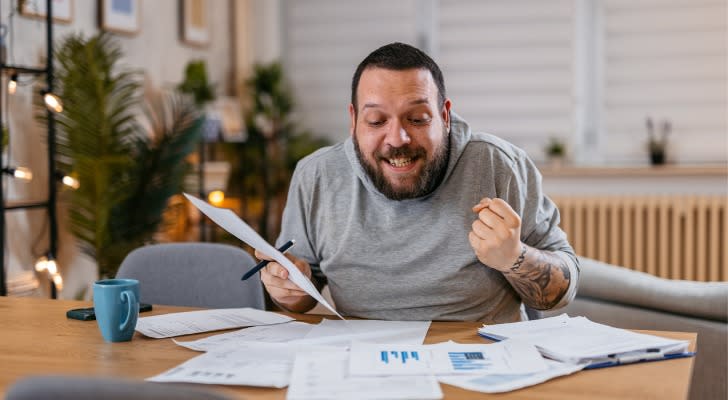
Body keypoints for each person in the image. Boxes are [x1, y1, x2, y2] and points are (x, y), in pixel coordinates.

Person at [255, 42, 579, 323]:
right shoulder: (317, 175)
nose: (397, 138)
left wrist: (515, 256)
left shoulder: (498, 164)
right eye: (377, 121)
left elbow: (561, 291)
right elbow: (302, 294)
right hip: (362, 362)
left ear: (445, 116)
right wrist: (289, 288)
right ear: (354, 120)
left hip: (481, 363)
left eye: (418, 119)